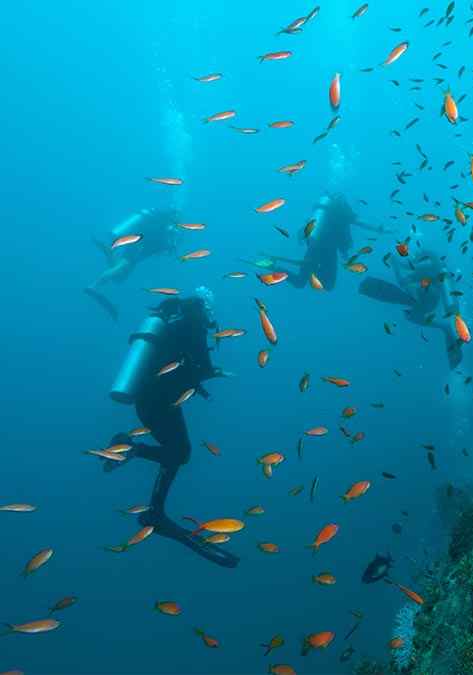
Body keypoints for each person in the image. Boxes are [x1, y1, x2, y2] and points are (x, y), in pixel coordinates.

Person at [105, 289, 238, 568]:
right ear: (203, 309)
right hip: (160, 403)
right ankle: (134, 456)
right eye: (210, 311)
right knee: (180, 452)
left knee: (177, 451)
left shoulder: (174, 324)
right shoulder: (195, 326)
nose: (211, 317)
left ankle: (154, 505)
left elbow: (177, 366)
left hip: (149, 400)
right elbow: (199, 368)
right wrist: (214, 373)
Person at [255, 193, 390, 291]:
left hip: (313, 247)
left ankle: (273, 267)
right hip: (329, 252)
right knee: (327, 285)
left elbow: (307, 228)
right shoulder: (344, 212)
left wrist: (302, 240)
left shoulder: (324, 212)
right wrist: (380, 229)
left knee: (300, 282)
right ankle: (278, 269)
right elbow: (360, 223)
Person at [359, 249, 463, 369]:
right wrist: (397, 264)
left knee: (411, 306)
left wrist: (396, 265)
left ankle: (445, 328)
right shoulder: (431, 267)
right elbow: (406, 278)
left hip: (427, 299)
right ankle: (445, 328)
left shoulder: (430, 269)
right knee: (411, 315)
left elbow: (405, 279)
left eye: (417, 257)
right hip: (424, 302)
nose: (414, 259)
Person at [85, 207, 179, 320]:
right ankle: (94, 285)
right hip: (137, 249)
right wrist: (170, 244)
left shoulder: (160, 223)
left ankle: (109, 252)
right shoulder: (165, 226)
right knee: (121, 268)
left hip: (137, 247)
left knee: (119, 278)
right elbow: (162, 244)